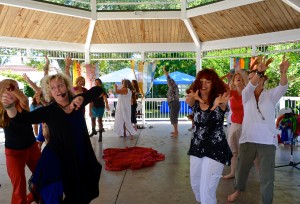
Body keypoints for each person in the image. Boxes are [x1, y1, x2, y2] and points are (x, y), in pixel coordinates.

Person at [2, 73, 102, 203]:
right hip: (59, 158)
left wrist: (82, 98)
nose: (58, 90)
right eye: (53, 88)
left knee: (85, 191)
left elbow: (98, 90)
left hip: (80, 154)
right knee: (59, 194)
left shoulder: (77, 102)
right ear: (50, 93)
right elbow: (22, 120)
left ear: (66, 86)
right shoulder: (49, 111)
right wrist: (9, 107)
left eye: (60, 85)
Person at [228, 55, 289, 203]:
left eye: (257, 78)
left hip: (267, 141)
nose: (253, 81)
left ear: (264, 81)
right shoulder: (246, 95)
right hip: (248, 138)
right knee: (241, 170)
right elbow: (250, 86)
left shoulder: (270, 95)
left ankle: (266, 201)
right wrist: (258, 73)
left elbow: (283, 86)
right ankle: (238, 190)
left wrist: (283, 72)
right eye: (251, 78)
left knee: (267, 176)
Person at [185, 68, 232, 204]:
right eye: (201, 81)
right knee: (195, 183)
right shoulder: (194, 101)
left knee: (207, 190)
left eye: (208, 81)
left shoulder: (220, 101)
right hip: (197, 147)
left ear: (213, 84)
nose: (204, 85)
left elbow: (218, 105)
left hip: (216, 148)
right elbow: (190, 100)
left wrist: (217, 102)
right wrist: (195, 98)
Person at [0, 79, 41, 204]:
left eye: (17, 88)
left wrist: (13, 90)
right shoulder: (1, 108)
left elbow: (23, 99)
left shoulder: (22, 104)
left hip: (32, 148)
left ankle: (35, 195)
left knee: (44, 176)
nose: (16, 91)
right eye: (11, 88)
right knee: (19, 188)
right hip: (14, 153)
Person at [223, 70, 248, 179]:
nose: (238, 78)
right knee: (233, 151)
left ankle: (245, 174)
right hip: (234, 125)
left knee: (248, 152)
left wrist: (243, 74)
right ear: (233, 81)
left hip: (247, 126)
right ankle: (233, 172)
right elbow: (218, 83)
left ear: (244, 81)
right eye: (236, 77)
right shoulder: (231, 93)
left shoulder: (248, 92)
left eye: (241, 77)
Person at [163, 66, 180, 137]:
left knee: (173, 117)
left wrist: (164, 70)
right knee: (172, 117)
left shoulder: (173, 86)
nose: (167, 83)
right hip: (172, 103)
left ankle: (176, 132)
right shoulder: (172, 87)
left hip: (174, 103)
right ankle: (175, 131)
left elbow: (168, 78)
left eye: (168, 82)